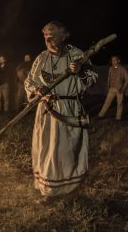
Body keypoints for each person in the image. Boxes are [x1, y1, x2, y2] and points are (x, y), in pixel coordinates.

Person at [25, 21, 98, 203]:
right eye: (46, 36)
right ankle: (48, 190)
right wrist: (37, 91)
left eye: (53, 35)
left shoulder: (77, 55)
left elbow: (92, 79)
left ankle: (71, 190)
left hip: (69, 110)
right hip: (47, 111)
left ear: (64, 36)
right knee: (47, 150)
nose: (49, 40)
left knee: (68, 151)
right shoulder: (41, 58)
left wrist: (80, 71)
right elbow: (29, 81)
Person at [97, 55, 128, 120]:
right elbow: (109, 78)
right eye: (112, 60)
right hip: (111, 89)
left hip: (119, 89)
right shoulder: (111, 68)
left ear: (118, 60)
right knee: (107, 102)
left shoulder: (122, 69)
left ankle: (118, 118)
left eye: (115, 60)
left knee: (119, 104)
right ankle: (101, 115)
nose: (113, 61)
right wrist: (108, 87)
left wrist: (123, 88)